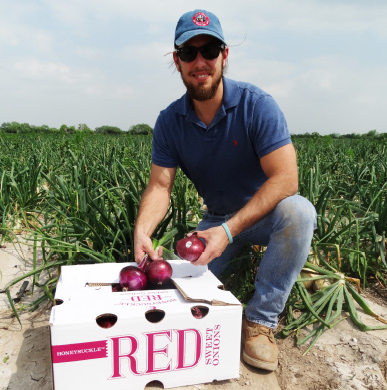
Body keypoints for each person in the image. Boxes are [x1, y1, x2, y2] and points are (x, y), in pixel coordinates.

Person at [134, 9, 317, 371]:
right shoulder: (170, 121)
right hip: (215, 221)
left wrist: (229, 231)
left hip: (264, 218)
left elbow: (286, 179)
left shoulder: (256, 105)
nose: (199, 61)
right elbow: (159, 185)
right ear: (177, 61)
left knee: (299, 212)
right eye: (189, 53)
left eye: (210, 50)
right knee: (180, 296)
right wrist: (143, 229)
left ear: (224, 55)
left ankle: (260, 321)